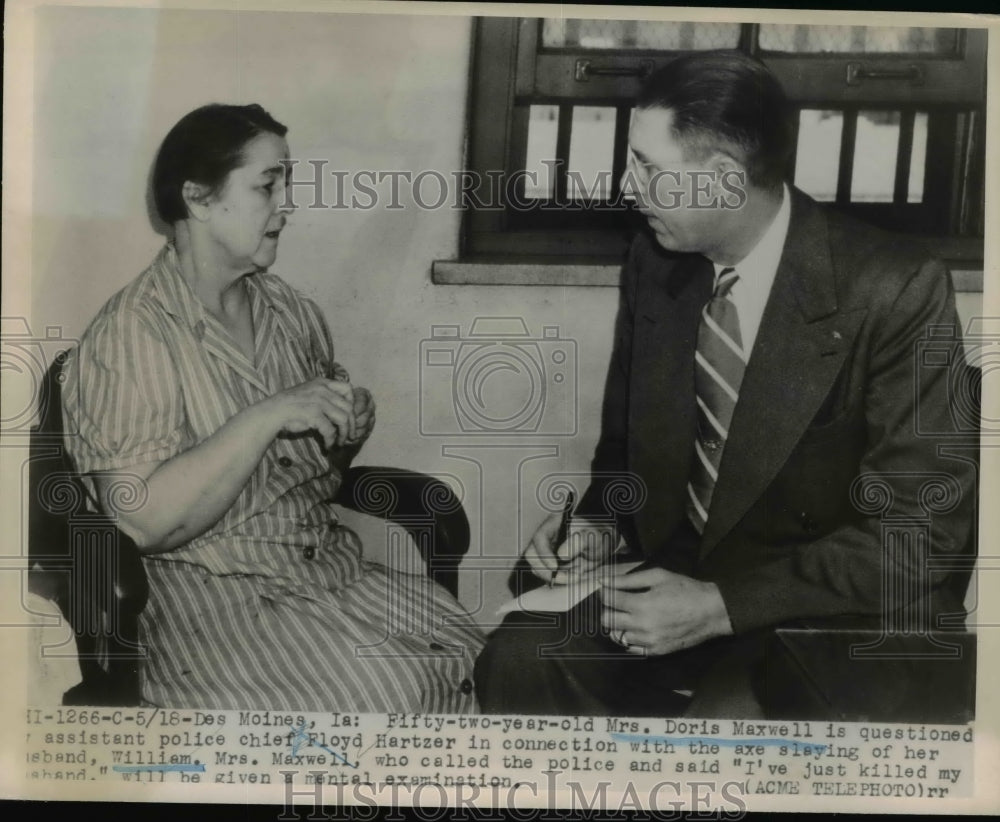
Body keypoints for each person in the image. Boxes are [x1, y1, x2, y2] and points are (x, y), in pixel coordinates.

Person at [474, 52, 976, 716]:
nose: (630, 187)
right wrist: (599, 524)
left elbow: (920, 535)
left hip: (829, 602)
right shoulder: (655, 262)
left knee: (732, 724)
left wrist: (720, 606)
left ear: (722, 180)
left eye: (649, 167)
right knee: (515, 661)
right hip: (683, 573)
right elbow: (623, 453)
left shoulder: (895, 286)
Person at [62, 103, 484, 713]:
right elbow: (143, 521)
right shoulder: (132, 333)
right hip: (212, 603)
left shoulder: (289, 311)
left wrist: (345, 431)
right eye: (268, 185)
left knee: (481, 656)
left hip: (328, 573)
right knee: (392, 694)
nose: (287, 204)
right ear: (199, 199)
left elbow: (319, 474)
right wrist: (267, 414)